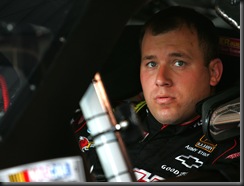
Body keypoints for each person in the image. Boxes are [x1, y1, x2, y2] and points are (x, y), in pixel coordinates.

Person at [70, 6, 240, 182]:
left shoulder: (231, 153)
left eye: (178, 63)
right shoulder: (95, 118)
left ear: (213, 72)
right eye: (151, 64)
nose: (161, 79)